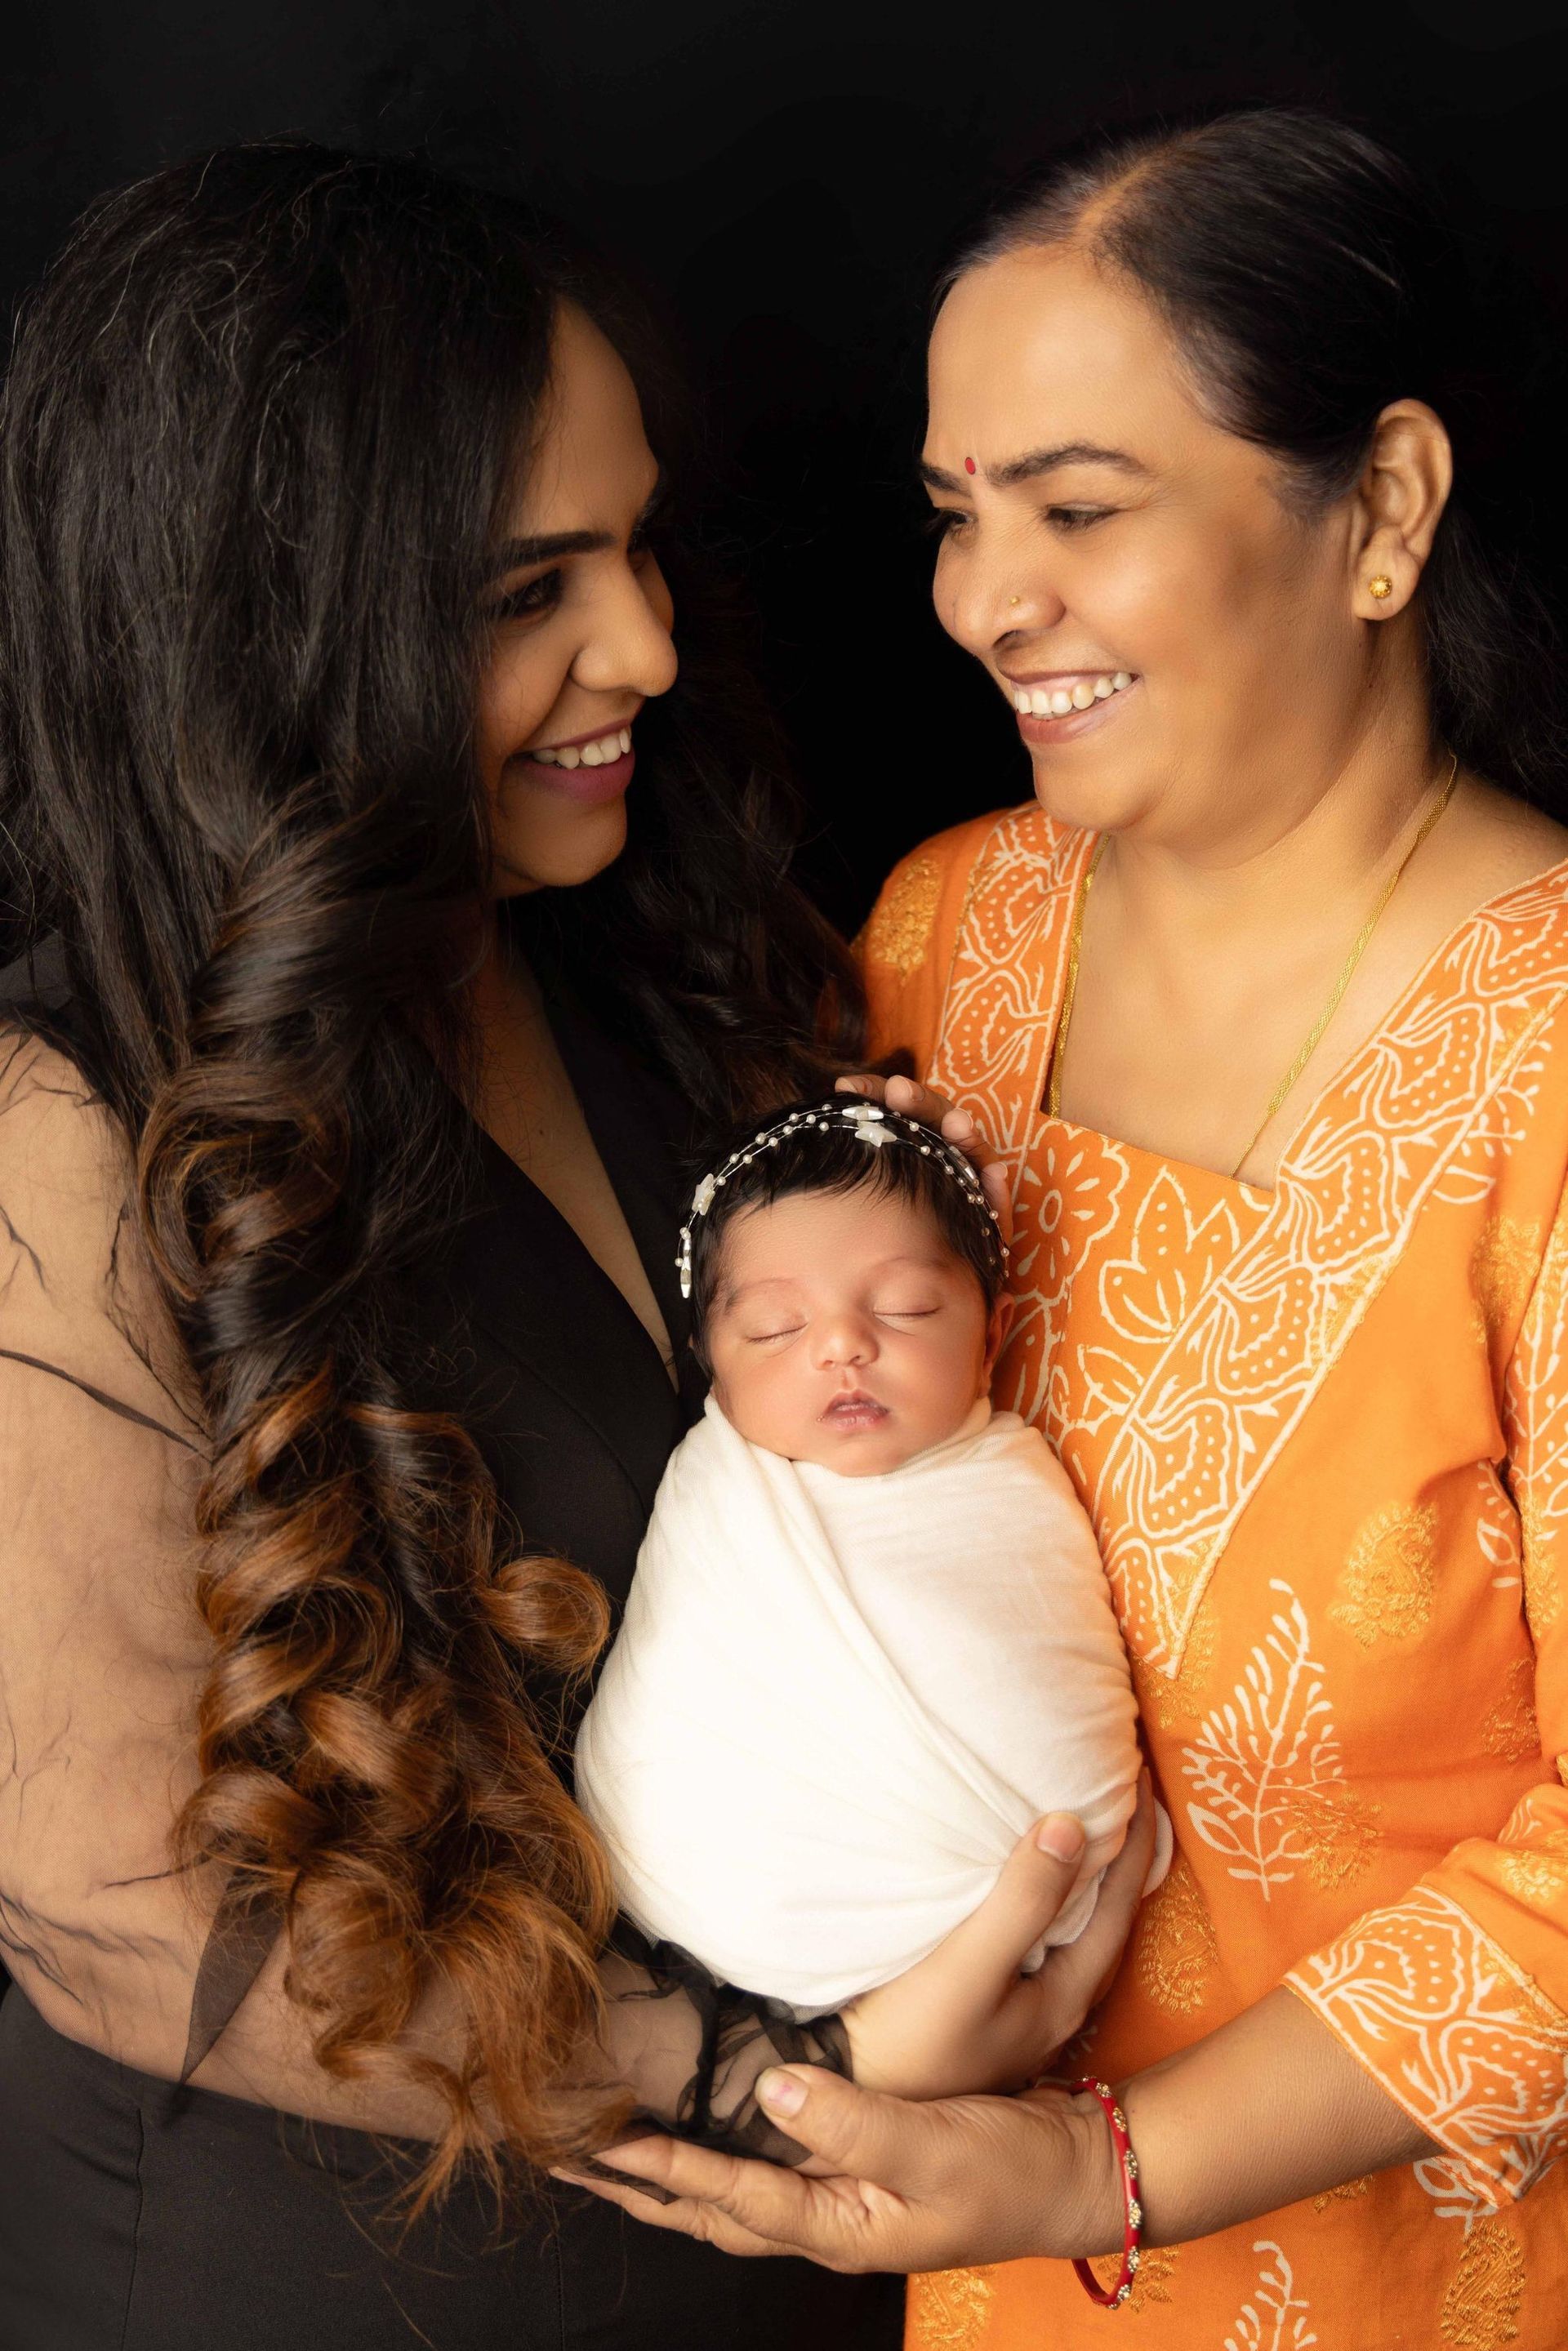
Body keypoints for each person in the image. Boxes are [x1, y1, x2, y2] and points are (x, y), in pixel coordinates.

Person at [0, 144, 1138, 2350]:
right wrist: (740, 2076)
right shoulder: (62, 1129)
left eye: (631, 547)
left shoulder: (630, 945)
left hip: (765, 2248)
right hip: (311, 2278)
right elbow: (107, 1890)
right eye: (530, 587)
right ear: (280, 637)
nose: (646, 641)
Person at [565, 108, 1568, 2350]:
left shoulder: (1552, 1049)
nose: (984, 598)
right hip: (992, 2281)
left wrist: (1110, 2156)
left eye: (1080, 508)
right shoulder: (947, 933)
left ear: (1382, 508)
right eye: (954, 515)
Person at [577, 1091, 1165, 2011]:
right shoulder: (719, 1500)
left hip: (1006, 1890)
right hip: (703, 1959)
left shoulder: (1013, 1486)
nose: (846, 1342)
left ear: (992, 1337)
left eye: (907, 1305)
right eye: (775, 1327)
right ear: (715, 1375)